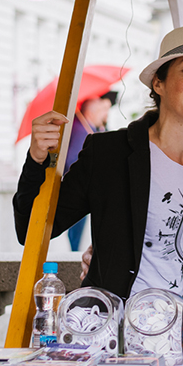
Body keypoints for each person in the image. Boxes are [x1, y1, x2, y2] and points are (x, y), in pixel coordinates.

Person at [14, 24, 183, 299]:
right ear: (158, 82)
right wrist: (37, 159)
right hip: (118, 323)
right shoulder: (110, 153)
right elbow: (31, 229)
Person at [64, 91, 117, 252]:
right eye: (103, 110)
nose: (106, 114)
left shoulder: (92, 127)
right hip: (79, 190)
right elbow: (72, 160)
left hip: (87, 189)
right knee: (76, 232)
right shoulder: (80, 129)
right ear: (91, 112)